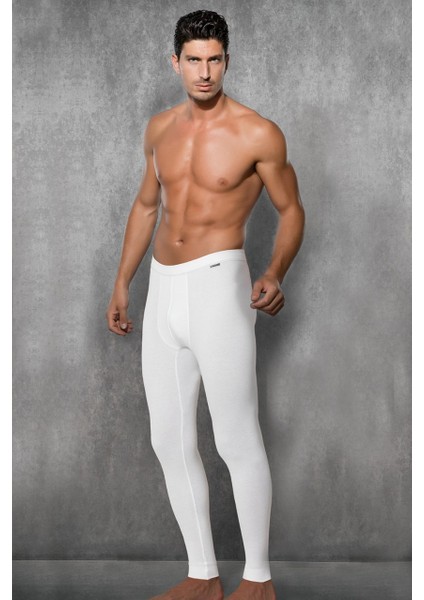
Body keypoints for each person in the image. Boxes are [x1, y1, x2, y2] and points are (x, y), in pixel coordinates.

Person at [106, 9, 305, 600]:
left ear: (227, 61)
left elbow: (291, 210)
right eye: (193, 60)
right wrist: (123, 281)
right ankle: (203, 575)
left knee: (236, 439)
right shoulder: (159, 129)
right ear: (176, 62)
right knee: (168, 440)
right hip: (163, 288)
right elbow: (147, 206)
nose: (204, 71)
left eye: (214, 59)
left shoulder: (257, 133)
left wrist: (275, 271)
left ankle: (259, 580)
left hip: (220, 288)